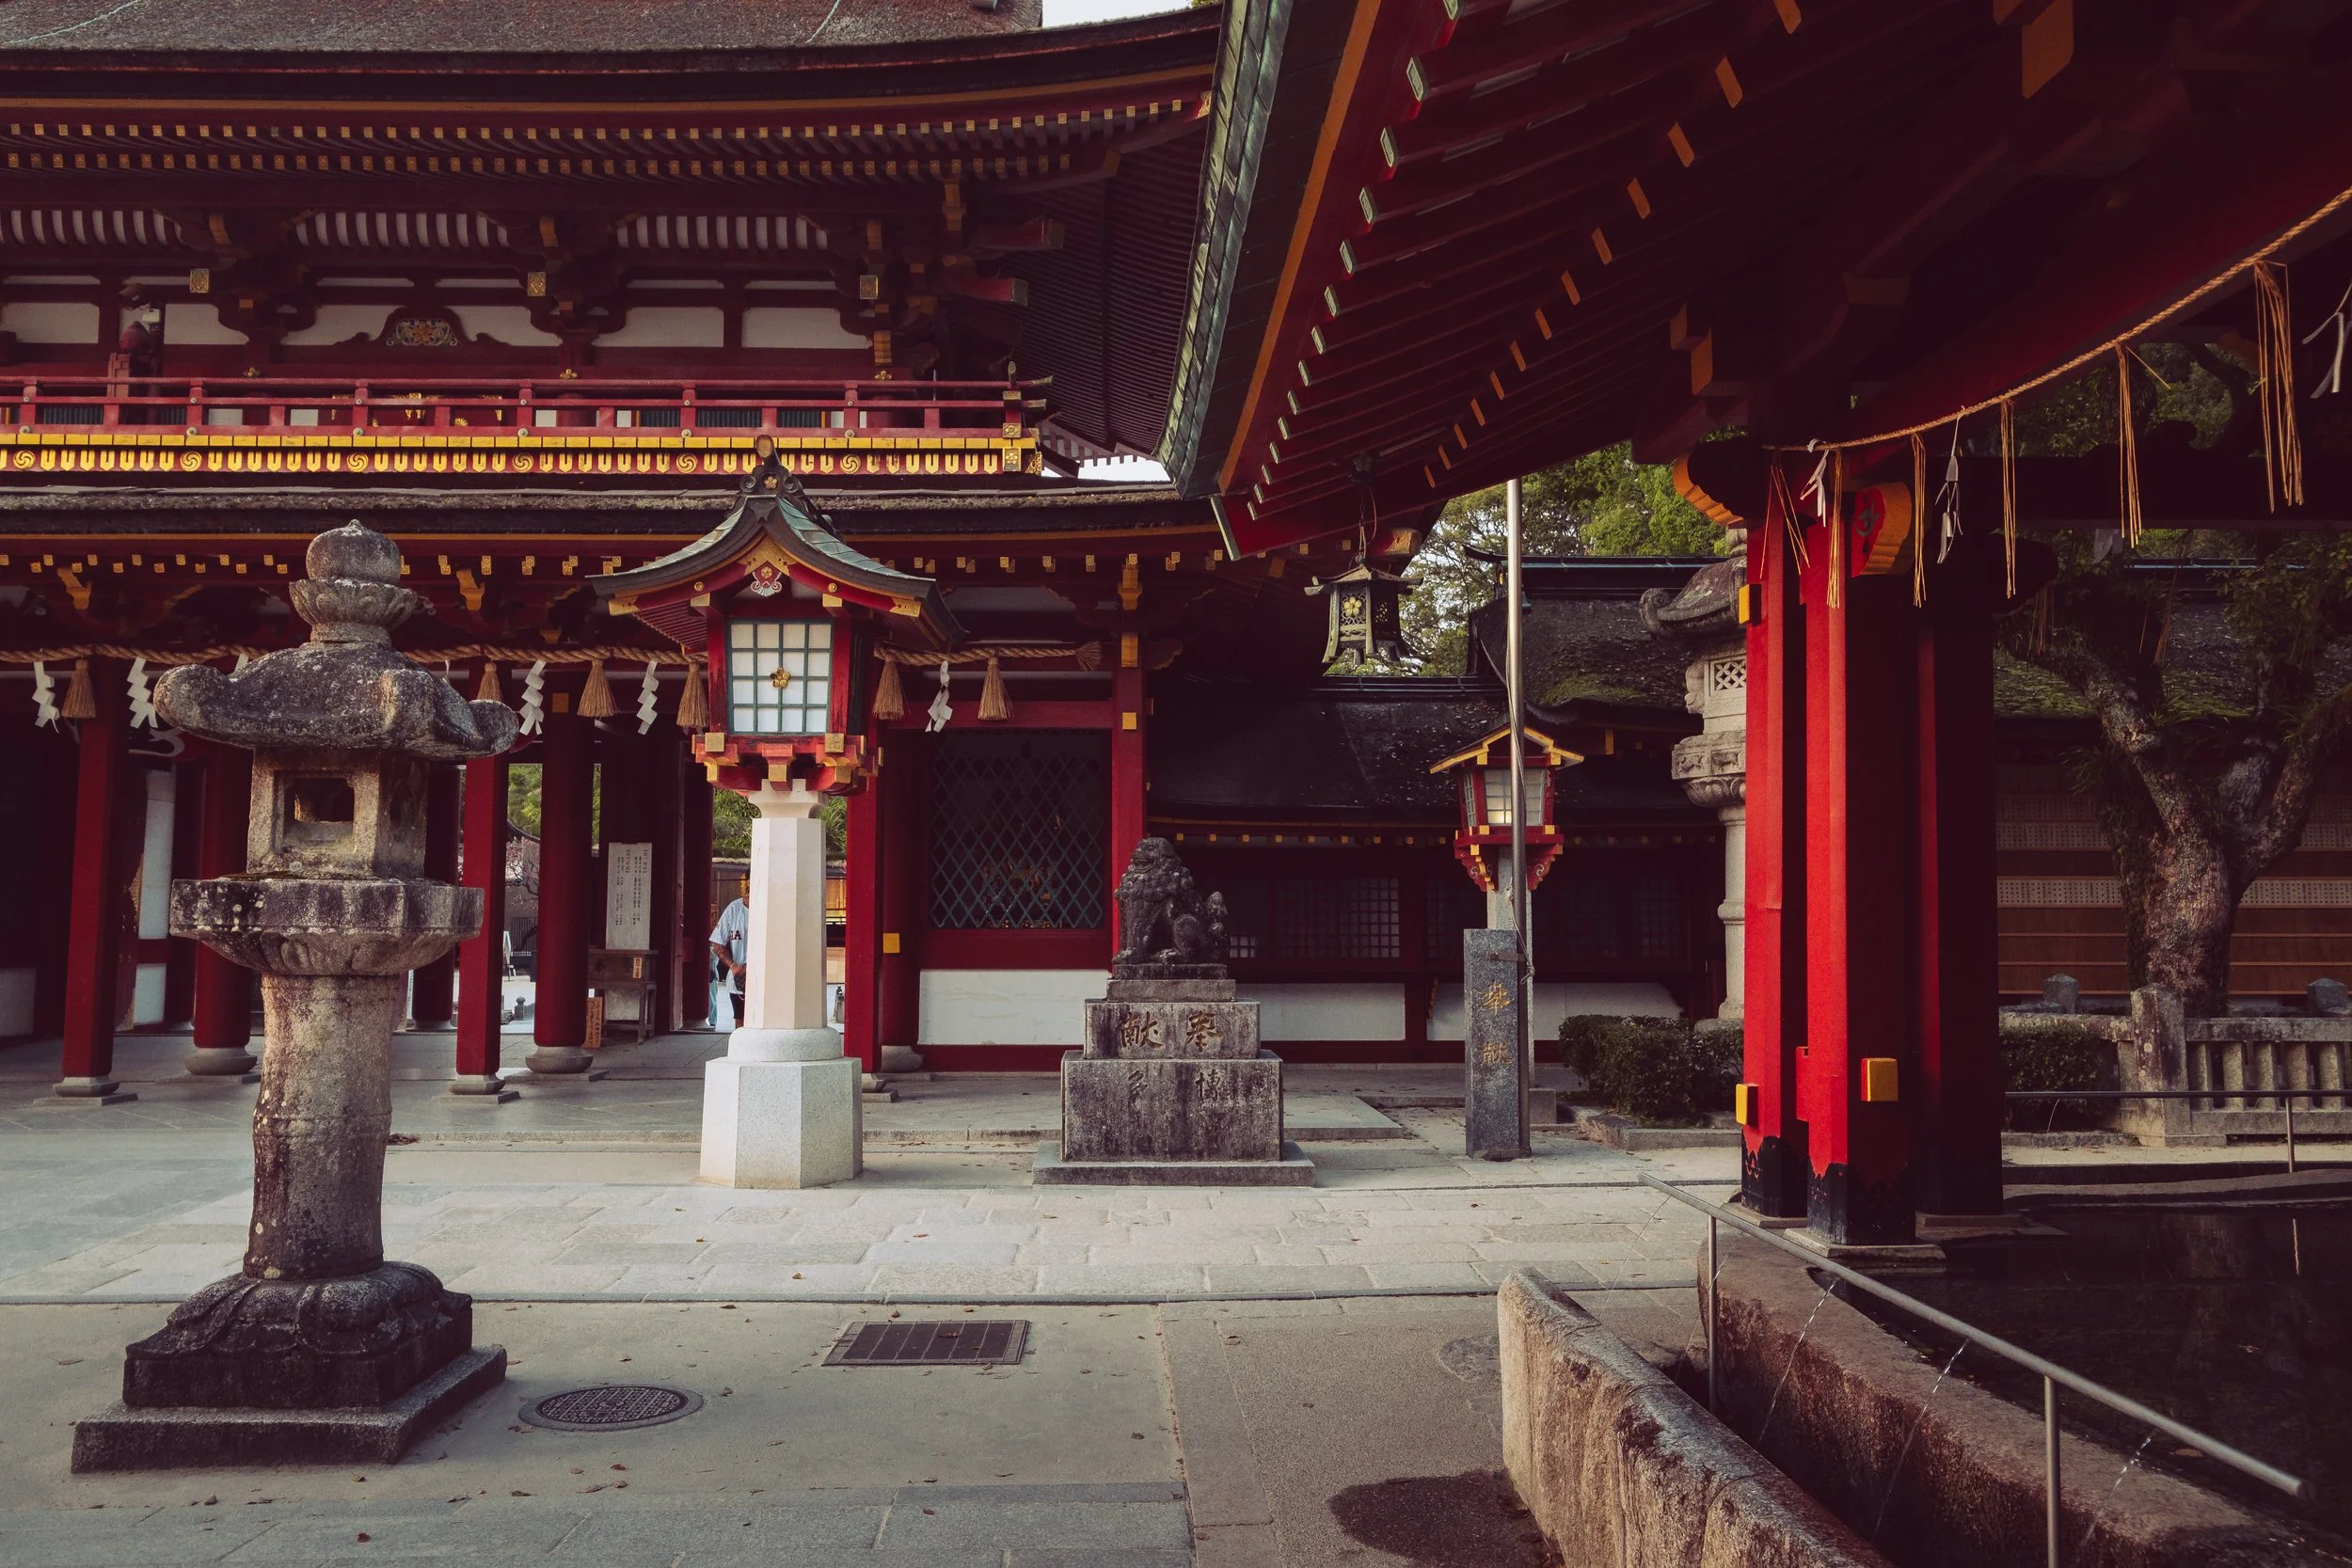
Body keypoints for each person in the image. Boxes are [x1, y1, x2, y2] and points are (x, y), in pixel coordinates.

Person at [709, 879, 750, 1028]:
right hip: (739, 976)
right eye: (748, 888)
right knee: (740, 1019)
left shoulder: (771, 908)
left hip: (766, 976)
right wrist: (733, 965)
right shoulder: (734, 909)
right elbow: (717, 943)